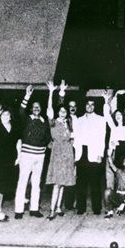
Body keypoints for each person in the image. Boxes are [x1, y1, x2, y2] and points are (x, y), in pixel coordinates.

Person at [13, 84, 52, 218]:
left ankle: (34, 209)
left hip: (40, 155)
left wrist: (48, 143)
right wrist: (27, 95)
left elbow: (48, 137)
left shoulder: (44, 121)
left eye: (38, 107)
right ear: (31, 109)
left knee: (36, 183)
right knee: (22, 181)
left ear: (41, 109)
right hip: (27, 154)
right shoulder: (26, 119)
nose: (36, 108)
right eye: (34, 107)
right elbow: (21, 110)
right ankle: (19, 210)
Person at [44, 81, 75, 219]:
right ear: (58, 112)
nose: (63, 113)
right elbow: (50, 108)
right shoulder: (53, 122)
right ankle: (52, 211)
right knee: (57, 183)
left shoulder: (68, 122)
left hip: (67, 153)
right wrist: (52, 92)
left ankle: (58, 207)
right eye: (61, 111)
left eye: (65, 111)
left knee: (63, 183)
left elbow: (71, 138)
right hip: (57, 153)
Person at [73, 97, 108, 216]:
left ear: (95, 106)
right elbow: (75, 137)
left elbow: (102, 138)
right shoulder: (78, 120)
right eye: (88, 104)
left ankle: (96, 208)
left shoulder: (100, 120)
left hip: (94, 154)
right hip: (81, 154)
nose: (90, 106)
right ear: (84, 106)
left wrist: (100, 154)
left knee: (95, 183)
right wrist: (75, 155)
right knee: (81, 184)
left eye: (92, 104)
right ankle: (81, 208)